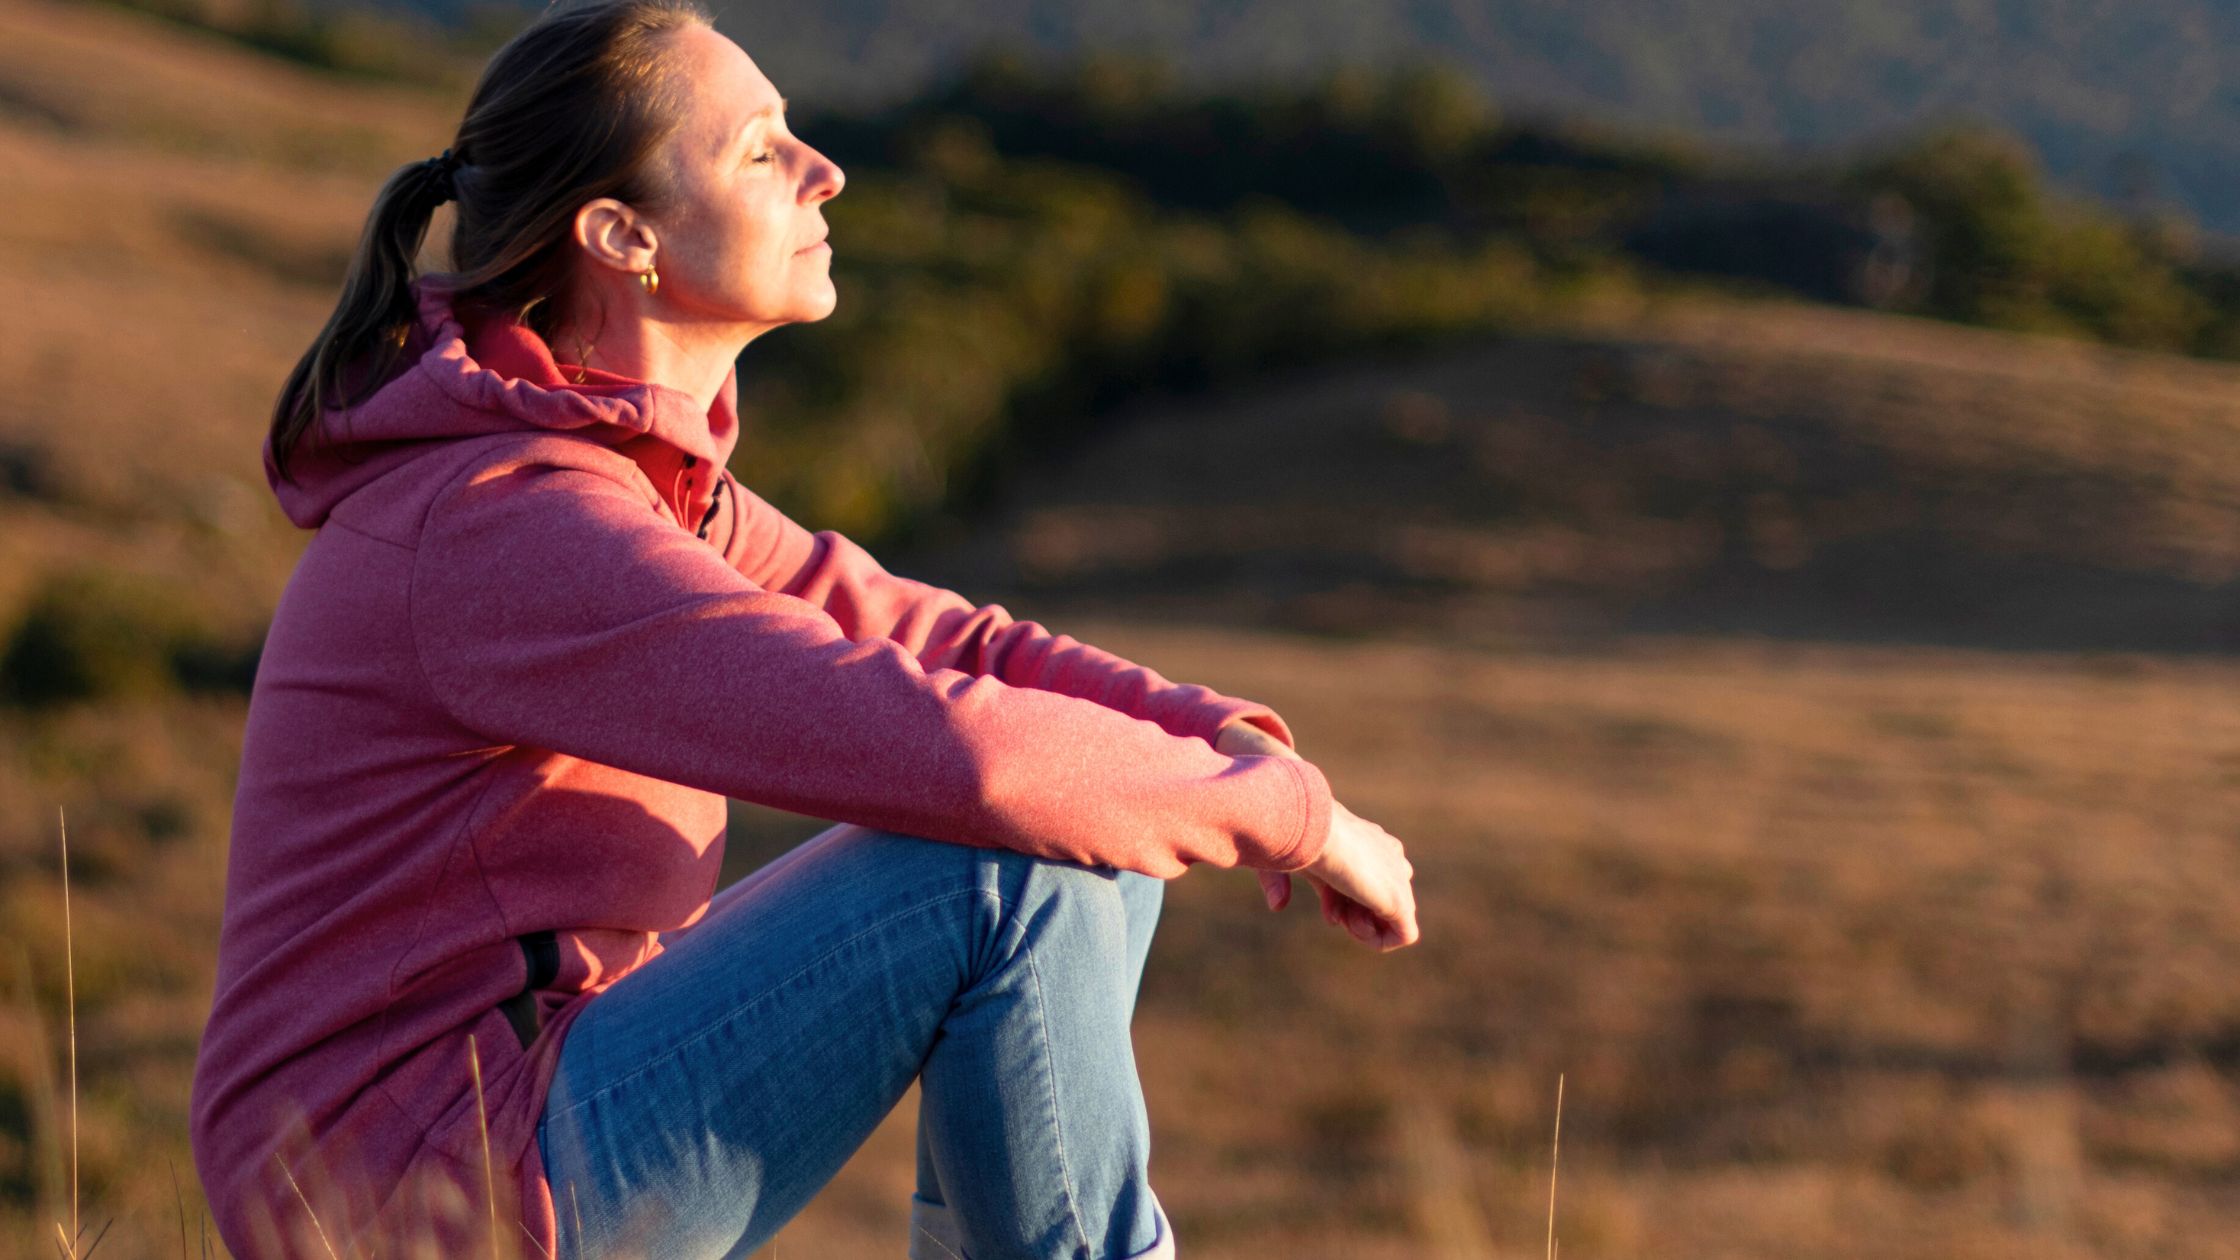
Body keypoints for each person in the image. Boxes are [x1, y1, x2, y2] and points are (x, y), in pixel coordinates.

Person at [186, 1, 1420, 1256]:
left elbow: (956, 647)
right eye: (762, 151)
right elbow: (967, 760)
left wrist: (1226, 740)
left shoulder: (624, 481)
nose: (825, 172)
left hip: (521, 1118)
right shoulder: (507, 523)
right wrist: (1296, 823)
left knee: (1098, 834)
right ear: (622, 236)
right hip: (417, 1194)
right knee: (1006, 857)